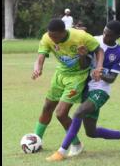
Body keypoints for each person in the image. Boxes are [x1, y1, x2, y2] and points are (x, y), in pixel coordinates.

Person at [46, 20, 120, 162]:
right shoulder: (94, 40)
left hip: (101, 90)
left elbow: (112, 78)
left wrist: (100, 73)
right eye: (104, 33)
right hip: (86, 88)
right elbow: (83, 66)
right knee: (91, 132)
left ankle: (61, 152)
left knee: (78, 112)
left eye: (109, 35)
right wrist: (82, 55)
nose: (105, 37)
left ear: (117, 37)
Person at [32, 18, 104, 156]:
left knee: (60, 113)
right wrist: (38, 68)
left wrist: (99, 66)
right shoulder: (47, 37)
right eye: (50, 36)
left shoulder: (80, 36)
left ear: (62, 32)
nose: (52, 40)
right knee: (47, 107)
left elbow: (99, 50)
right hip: (60, 75)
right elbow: (40, 56)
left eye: (55, 37)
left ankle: (76, 144)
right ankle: (36, 140)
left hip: (77, 77)